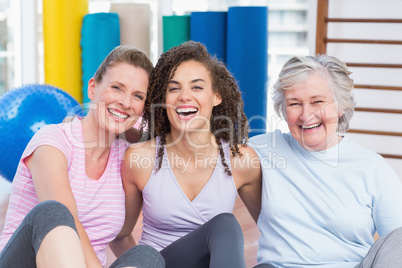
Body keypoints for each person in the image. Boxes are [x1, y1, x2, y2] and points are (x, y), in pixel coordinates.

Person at [0, 45, 165, 268]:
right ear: (92, 89)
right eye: (117, 88)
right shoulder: (52, 142)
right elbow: (70, 220)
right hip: (24, 262)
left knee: (148, 257)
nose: (126, 102)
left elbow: (121, 236)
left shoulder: (127, 156)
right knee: (53, 212)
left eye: (137, 96)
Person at [118, 41, 262, 267]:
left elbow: (272, 229)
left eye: (196, 87)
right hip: (158, 263)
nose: (184, 96)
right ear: (163, 100)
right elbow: (122, 234)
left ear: (216, 96)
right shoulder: (139, 159)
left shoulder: (241, 160)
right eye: (174, 88)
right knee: (224, 224)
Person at [249, 54, 402, 268]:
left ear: (341, 106)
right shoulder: (263, 150)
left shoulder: (372, 167)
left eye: (317, 102)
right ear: (283, 110)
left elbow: (397, 246)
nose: (306, 115)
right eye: (294, 104)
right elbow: (208, 153)